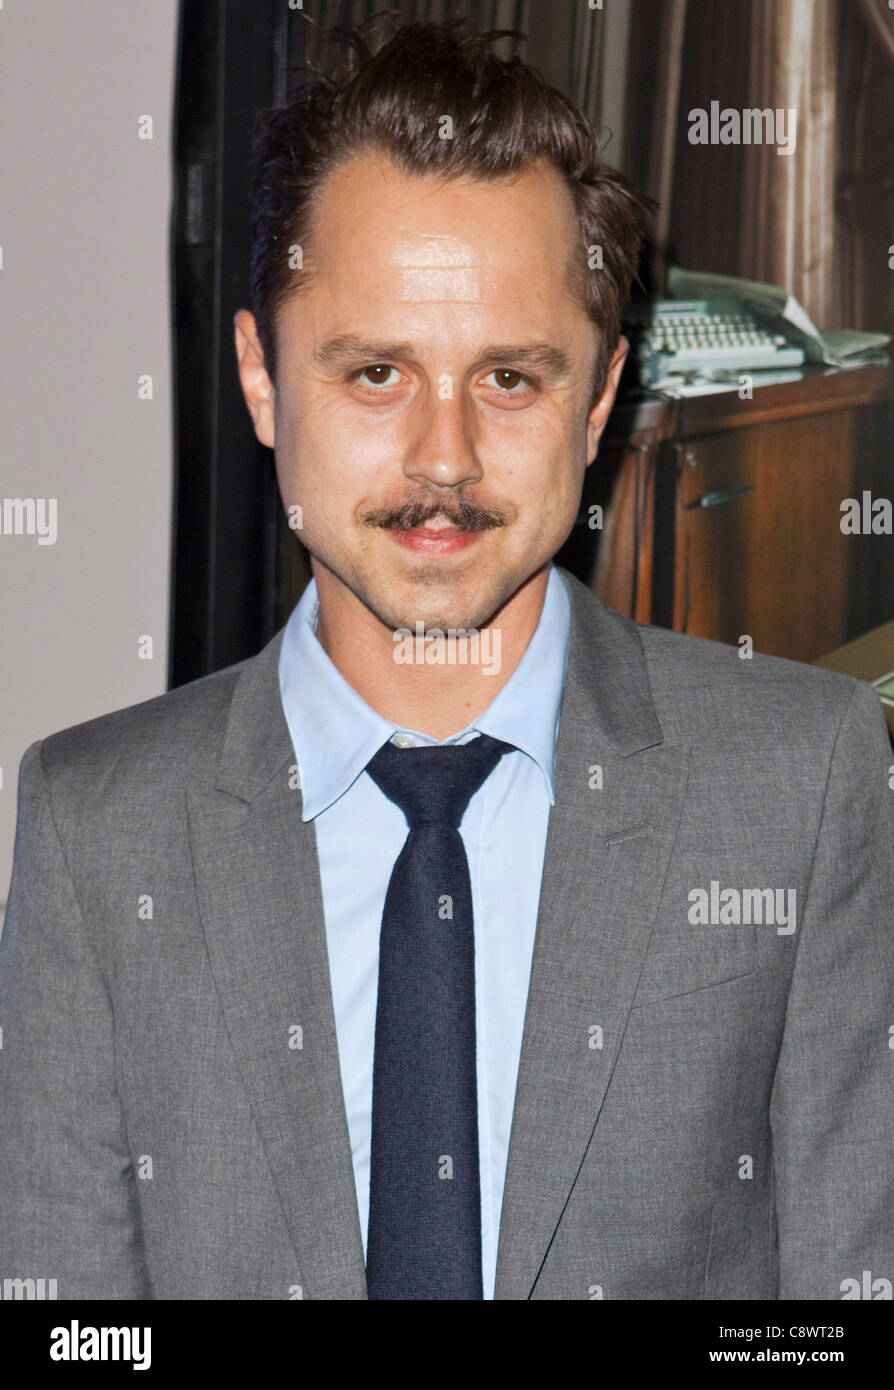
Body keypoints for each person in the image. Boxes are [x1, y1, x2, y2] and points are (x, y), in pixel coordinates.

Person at [1, 19, 892, 1302]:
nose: (444, 459)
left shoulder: (802, 784)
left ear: (599, 401)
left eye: (512, 381)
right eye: (375, 372)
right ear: (262, 379)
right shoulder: (95, 827)